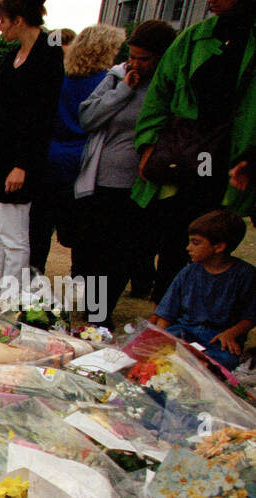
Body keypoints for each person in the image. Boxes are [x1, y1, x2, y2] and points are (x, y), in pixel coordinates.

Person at [134, 0, 256, 301]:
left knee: (219, 243)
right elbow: (159, 94)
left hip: (235, 159)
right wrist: (148, 146)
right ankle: (167, 315)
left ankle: (211, 323)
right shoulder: (193, 37)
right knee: (180, 239)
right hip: (189, 157)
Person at [72, 20, 177, 319]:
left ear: (162, 56)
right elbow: (87, 118)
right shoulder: (117, 77)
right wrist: (122, 93)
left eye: (143, 58)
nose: (135, 63)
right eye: (132, 55)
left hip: (139, 187)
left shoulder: (170, 87)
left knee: (121, 254)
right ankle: (91, 309)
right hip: (100, 182)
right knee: (88, 253)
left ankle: (100, 314)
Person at [0, 0, 64, 293]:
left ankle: (10, 298)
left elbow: (43, 118)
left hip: (20, 161)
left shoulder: (50, 56)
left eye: (3, 21)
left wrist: (22, 165)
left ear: (20, 20)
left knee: (14, 237)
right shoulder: (11, 56)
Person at [27, 23, 121, 277]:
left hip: (48, 159)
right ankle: (80, 286)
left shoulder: (57, 77)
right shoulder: (107, 82)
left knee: (39, 230)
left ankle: (33, 281)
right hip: (84, 163)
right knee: (81, 236)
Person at [150, 210, 256, 369]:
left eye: (196, 243)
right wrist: (157, 338)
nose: (188, 248)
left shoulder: (246, 275)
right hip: (183, 332)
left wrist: (231, 334)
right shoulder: (188, 272)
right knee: (158, 350)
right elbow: (166, 312)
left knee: (226, 359)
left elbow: (251, 315)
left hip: (217, 338)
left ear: (219, 247)